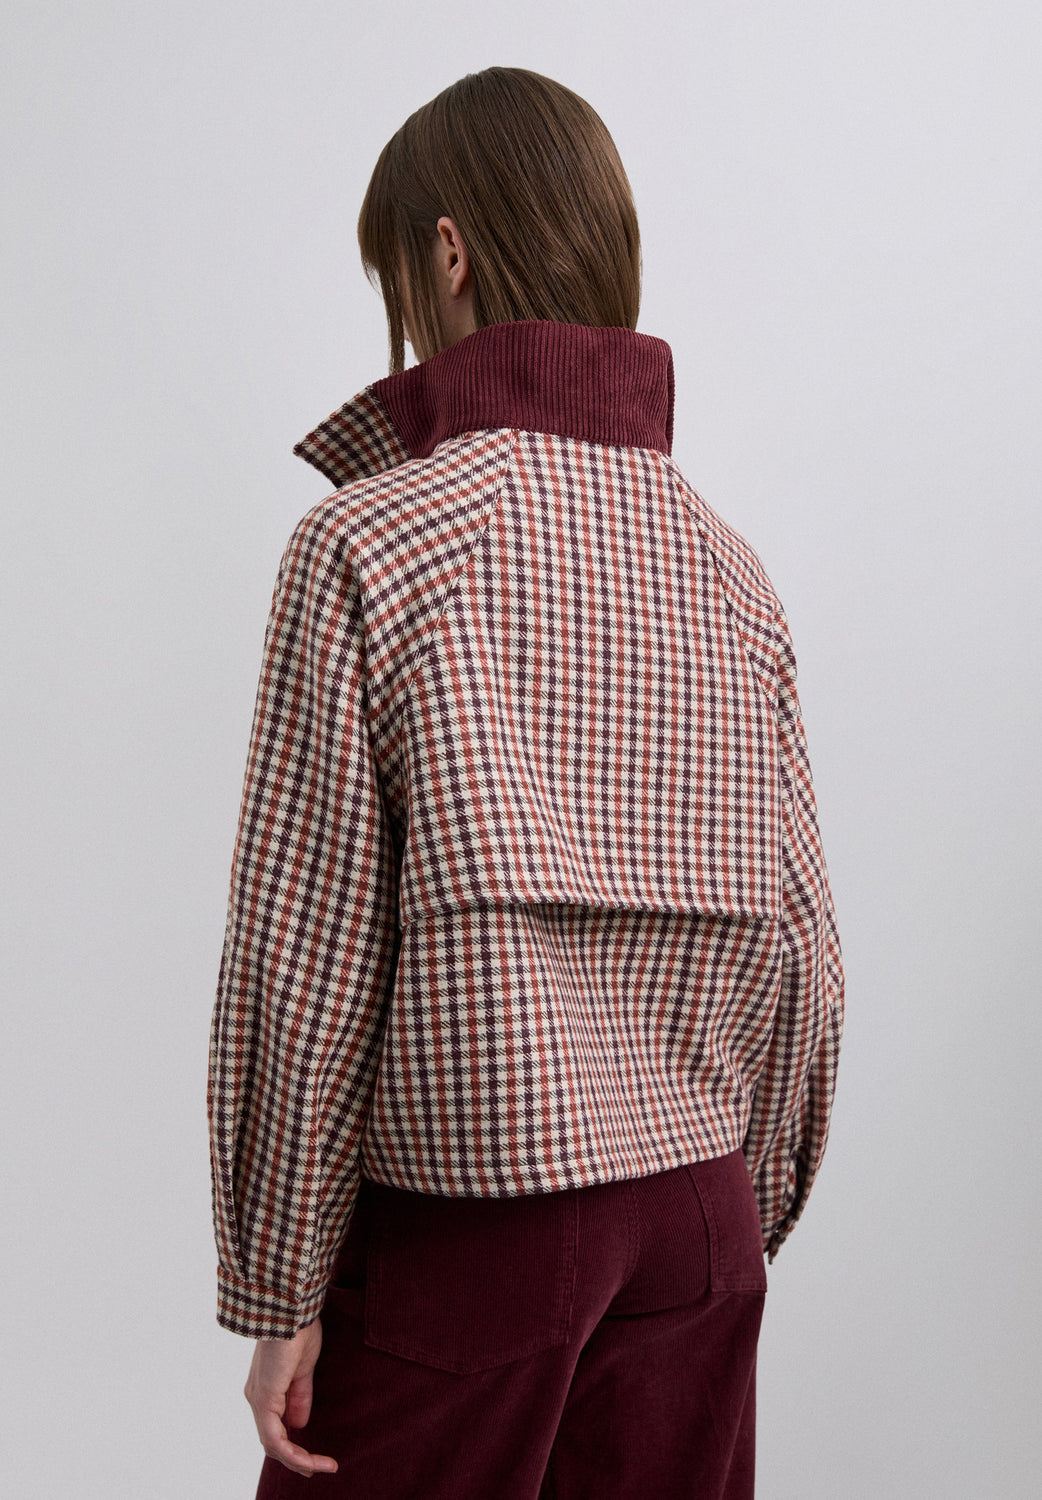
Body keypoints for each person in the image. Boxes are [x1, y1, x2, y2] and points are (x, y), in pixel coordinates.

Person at [207, 66, 844, 1500]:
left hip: (473, 1222)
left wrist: (279, 1283)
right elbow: (805, 945)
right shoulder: (730, 566)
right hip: (698, 1220)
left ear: (446, 252)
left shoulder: (370, 543)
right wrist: (736, 1205)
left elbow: (307, 952)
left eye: (396, 273)